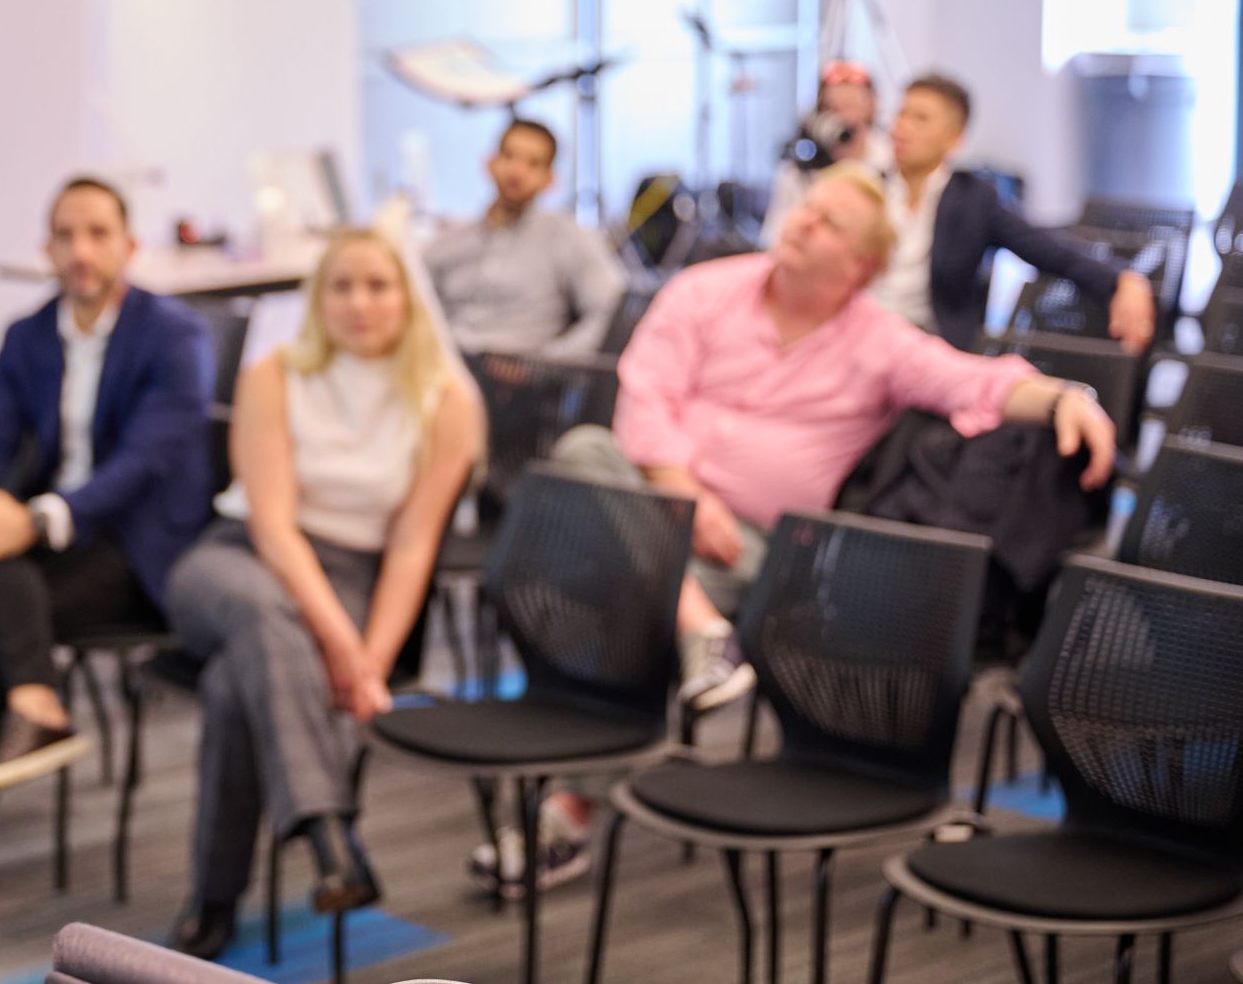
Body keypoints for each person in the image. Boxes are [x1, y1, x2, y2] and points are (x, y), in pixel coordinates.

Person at [470, 162, 1119, 898]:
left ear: (862, 266)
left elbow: (976, 381)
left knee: (618, 585)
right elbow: (644, 396)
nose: (803, 222)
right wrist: (687, 498)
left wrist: (1069, 394)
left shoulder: (879, 340)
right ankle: (701, 633)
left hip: (754, 545)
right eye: (807, 209)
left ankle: (570, 808)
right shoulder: (705, 290)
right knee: (584, 451)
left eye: (829, 222)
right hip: (652, 500)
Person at [0, 176, 215, 925]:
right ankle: (36, 700)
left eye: (97, 234)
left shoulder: (175, 335)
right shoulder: (30, 334)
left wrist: (38, 518)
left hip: (139, 548)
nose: (81, 251)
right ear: (47, 248)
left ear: (129, 245)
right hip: (48, 546)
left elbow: (145, 465)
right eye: (66, 235)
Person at [163, 229, 482, 960]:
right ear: (317, 298)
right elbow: (273, 526)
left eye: (378, 284)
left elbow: (411, 545)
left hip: (351, 576)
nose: (360, 302)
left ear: (408, 296)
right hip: (236, 560)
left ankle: (213, 898)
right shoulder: (273, 373)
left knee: (234, 686)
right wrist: (344, 650)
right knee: (259, 612)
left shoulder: (447, 401)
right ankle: (328, 828)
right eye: (341, 285)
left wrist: (371, 656)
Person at [877, 72, 1155, 352]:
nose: (901, 128)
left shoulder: (973, 199)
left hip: (929, 349)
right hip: (859, 338)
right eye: (901, 114)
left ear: (954, 138)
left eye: (920, 118)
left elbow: (1050, 250)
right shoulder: (867, 189)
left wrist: (1122, 279)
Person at [425, 118, 626, 359]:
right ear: (490, 163)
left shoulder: (567, 237)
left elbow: (611, 309)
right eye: (509, 156)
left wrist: (552, 362)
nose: (517, 171)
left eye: (533, 163)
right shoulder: (449, 240)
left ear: (550, 179)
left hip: (524, 378)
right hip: (449, 365)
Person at [760, 59, 891, 245]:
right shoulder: (798, 172)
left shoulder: (894, 164)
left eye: (852, 105)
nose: (844, 117)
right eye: (834, 107)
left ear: (872, 107)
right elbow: (774, 238)